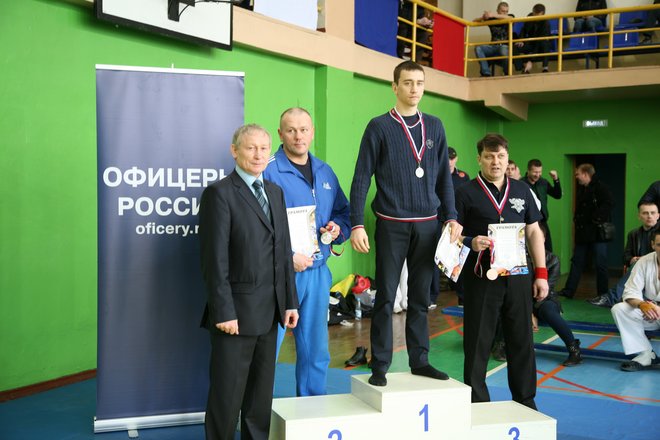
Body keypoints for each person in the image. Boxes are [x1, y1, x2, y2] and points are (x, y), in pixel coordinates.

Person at [350, 60, 462, 387]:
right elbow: (361, 177)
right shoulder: (378, 126)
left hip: (428, 225)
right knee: (386, 297)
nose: (414, 89)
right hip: (391, 224)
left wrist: (452, 217)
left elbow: (444, 180)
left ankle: (420, 361)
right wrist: (357, 223)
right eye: (408, 83)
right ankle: (380, 365)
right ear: (395, 86)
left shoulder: (435, 126)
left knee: (421, 299)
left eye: (419, 83)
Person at [199, 124, 299, 440]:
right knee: (227, 398)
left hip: (270, 314)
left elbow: (283, 252)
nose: (258, 155)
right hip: (235, 317)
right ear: (235, 150)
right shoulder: (219, 194)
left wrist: (290, 302)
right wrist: (223, 312)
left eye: (263, 148)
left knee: (259, 398)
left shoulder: (275, 192)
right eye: (250, 147)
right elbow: (214, 261)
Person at [455, 133, 548, 409]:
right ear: (479, 159)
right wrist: (470, 242)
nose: (495, 162)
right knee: (478, 342)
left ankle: (525, 400)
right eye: (489, 156)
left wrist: (541, 273)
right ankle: (478, 404)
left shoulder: (522, 190)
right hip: (481, 278)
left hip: (518, 276)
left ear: (507, 159)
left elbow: (534, 232)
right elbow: (450, 235)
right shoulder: (465, 193)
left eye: (501, 156)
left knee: (521, 339)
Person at [263, 107, 350, 397]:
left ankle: (312, 404)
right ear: (280, 134)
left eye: (303, 130)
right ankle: (255, 411)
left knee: (316, 348)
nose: (298, 136)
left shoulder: (325, 171)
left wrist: (337, 229)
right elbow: (256, 226)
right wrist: (287, 257)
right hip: (279, 274)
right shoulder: (268, 171)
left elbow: (343, 213)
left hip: (317, 273)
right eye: (291, 130)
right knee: (267, 347)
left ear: (312, 132)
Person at [588, 202, 659, 307]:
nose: (649, 216)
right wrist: (632, 259)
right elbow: (626, 256)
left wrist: (642, 260)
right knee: (637, 264)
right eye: (645, 213)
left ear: (658, 216)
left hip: (655, 268)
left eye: (652, 213)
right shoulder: (633, 234)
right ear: (639, 216)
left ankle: (611, 298)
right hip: (639, 269)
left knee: (638, 264)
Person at [559, 163, 614, 300]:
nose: (576, 177)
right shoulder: (583, 189)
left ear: (585, 174)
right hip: (583, 233)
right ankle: (569, 291)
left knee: (600, 264)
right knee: (577, 262)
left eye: (578, 174)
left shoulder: (600, 187)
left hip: (597, 233)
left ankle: (603, 294)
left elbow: (609, 204)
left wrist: (596, 218)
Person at [611, 229, 660, 371]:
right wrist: (642, 304)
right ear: (653, 245)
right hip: (651, 312)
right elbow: (630, 291)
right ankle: (646, 354)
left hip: (656, 310)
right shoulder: (644, 261)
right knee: (619, 309)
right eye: (659, 245)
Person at [522, 159, 562, 252]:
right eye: (535, 172)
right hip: (528, 223)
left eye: (540, 172)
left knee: (548, 249)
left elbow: (557, 195)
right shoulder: (521, 184)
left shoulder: (543, 182)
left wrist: (556, 179)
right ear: (528, 170)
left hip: (543, 221)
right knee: (529, 250)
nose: (538, 175)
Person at [473, 2, 515, 77]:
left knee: (503, 49)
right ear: (497, 10)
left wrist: (493, 15)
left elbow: (511, 18)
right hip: (492, 47)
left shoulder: (510, 17)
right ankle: (486, 72)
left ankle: (507, 72)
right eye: (503, 11)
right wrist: (484, 17)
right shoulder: (491, 19)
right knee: (478, 48)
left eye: (506, 11)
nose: (505, 13)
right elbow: (474, 21)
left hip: (504, 46)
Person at [514, 4, 551, 74]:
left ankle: (545, 68)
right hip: (530, 43)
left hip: (540, 45)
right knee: (515, 46)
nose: (535, 17)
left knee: (545, 44)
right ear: (533, 11)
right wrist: (521, 40)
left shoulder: (546, 23)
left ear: (542, 14)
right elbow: (524, 29)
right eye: (534, 14)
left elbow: (539, 41)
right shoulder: (530, 16)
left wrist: (530, 60)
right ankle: (522, 68)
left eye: (538, 15)